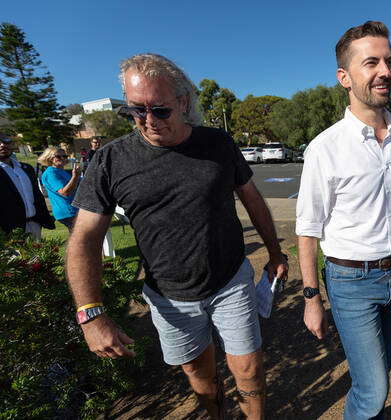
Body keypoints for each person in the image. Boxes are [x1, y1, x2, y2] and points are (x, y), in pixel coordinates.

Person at [66, 53, 287, 419]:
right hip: (169, 296)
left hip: (230, 280)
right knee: (199, 375)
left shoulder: (218, 144)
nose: (148, 121)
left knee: (248, 369)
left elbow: (253, 200)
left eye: (160, 110)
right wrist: (91, 313)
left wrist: (275, 253)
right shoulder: (110, 160)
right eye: (136, 111)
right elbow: (85, 238)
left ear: (183, 102)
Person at [296, 21, 391, 419]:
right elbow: (308, 229)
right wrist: (312, 299)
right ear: (345, 77)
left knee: (378, 373)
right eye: (371, 63)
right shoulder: (325, 148)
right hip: (351, 285)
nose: (385, 71)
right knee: (373, 388)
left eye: (389, 61)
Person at [0, 136, 55, 238]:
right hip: (9, 231)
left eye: (6, 142)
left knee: (38, 254)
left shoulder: (26, 168)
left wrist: (41, 220)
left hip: (34, 224)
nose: (3, 145)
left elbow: (37, 195)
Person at [38, 147, 80, 231]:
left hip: (74, 209)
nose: (62, 158)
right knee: (81, 240)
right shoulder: (51, 173)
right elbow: (65, 192)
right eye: (58, 156)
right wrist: (75, 176)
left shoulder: (61, 171)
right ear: (49, 158)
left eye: (64, 156)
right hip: (67, 211)